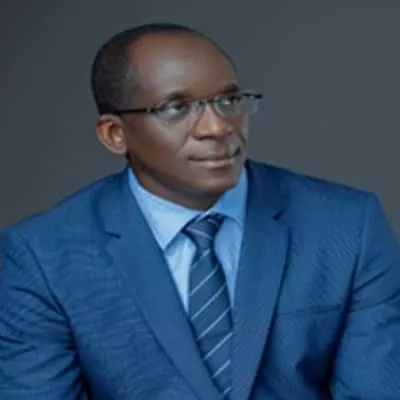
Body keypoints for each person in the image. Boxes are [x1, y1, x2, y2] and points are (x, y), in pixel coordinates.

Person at [0, 22, 399, 400]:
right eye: (176, 107)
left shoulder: (348, 228)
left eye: (229, 101)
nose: (217, 127)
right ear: (115, 134)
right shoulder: (41, 258)